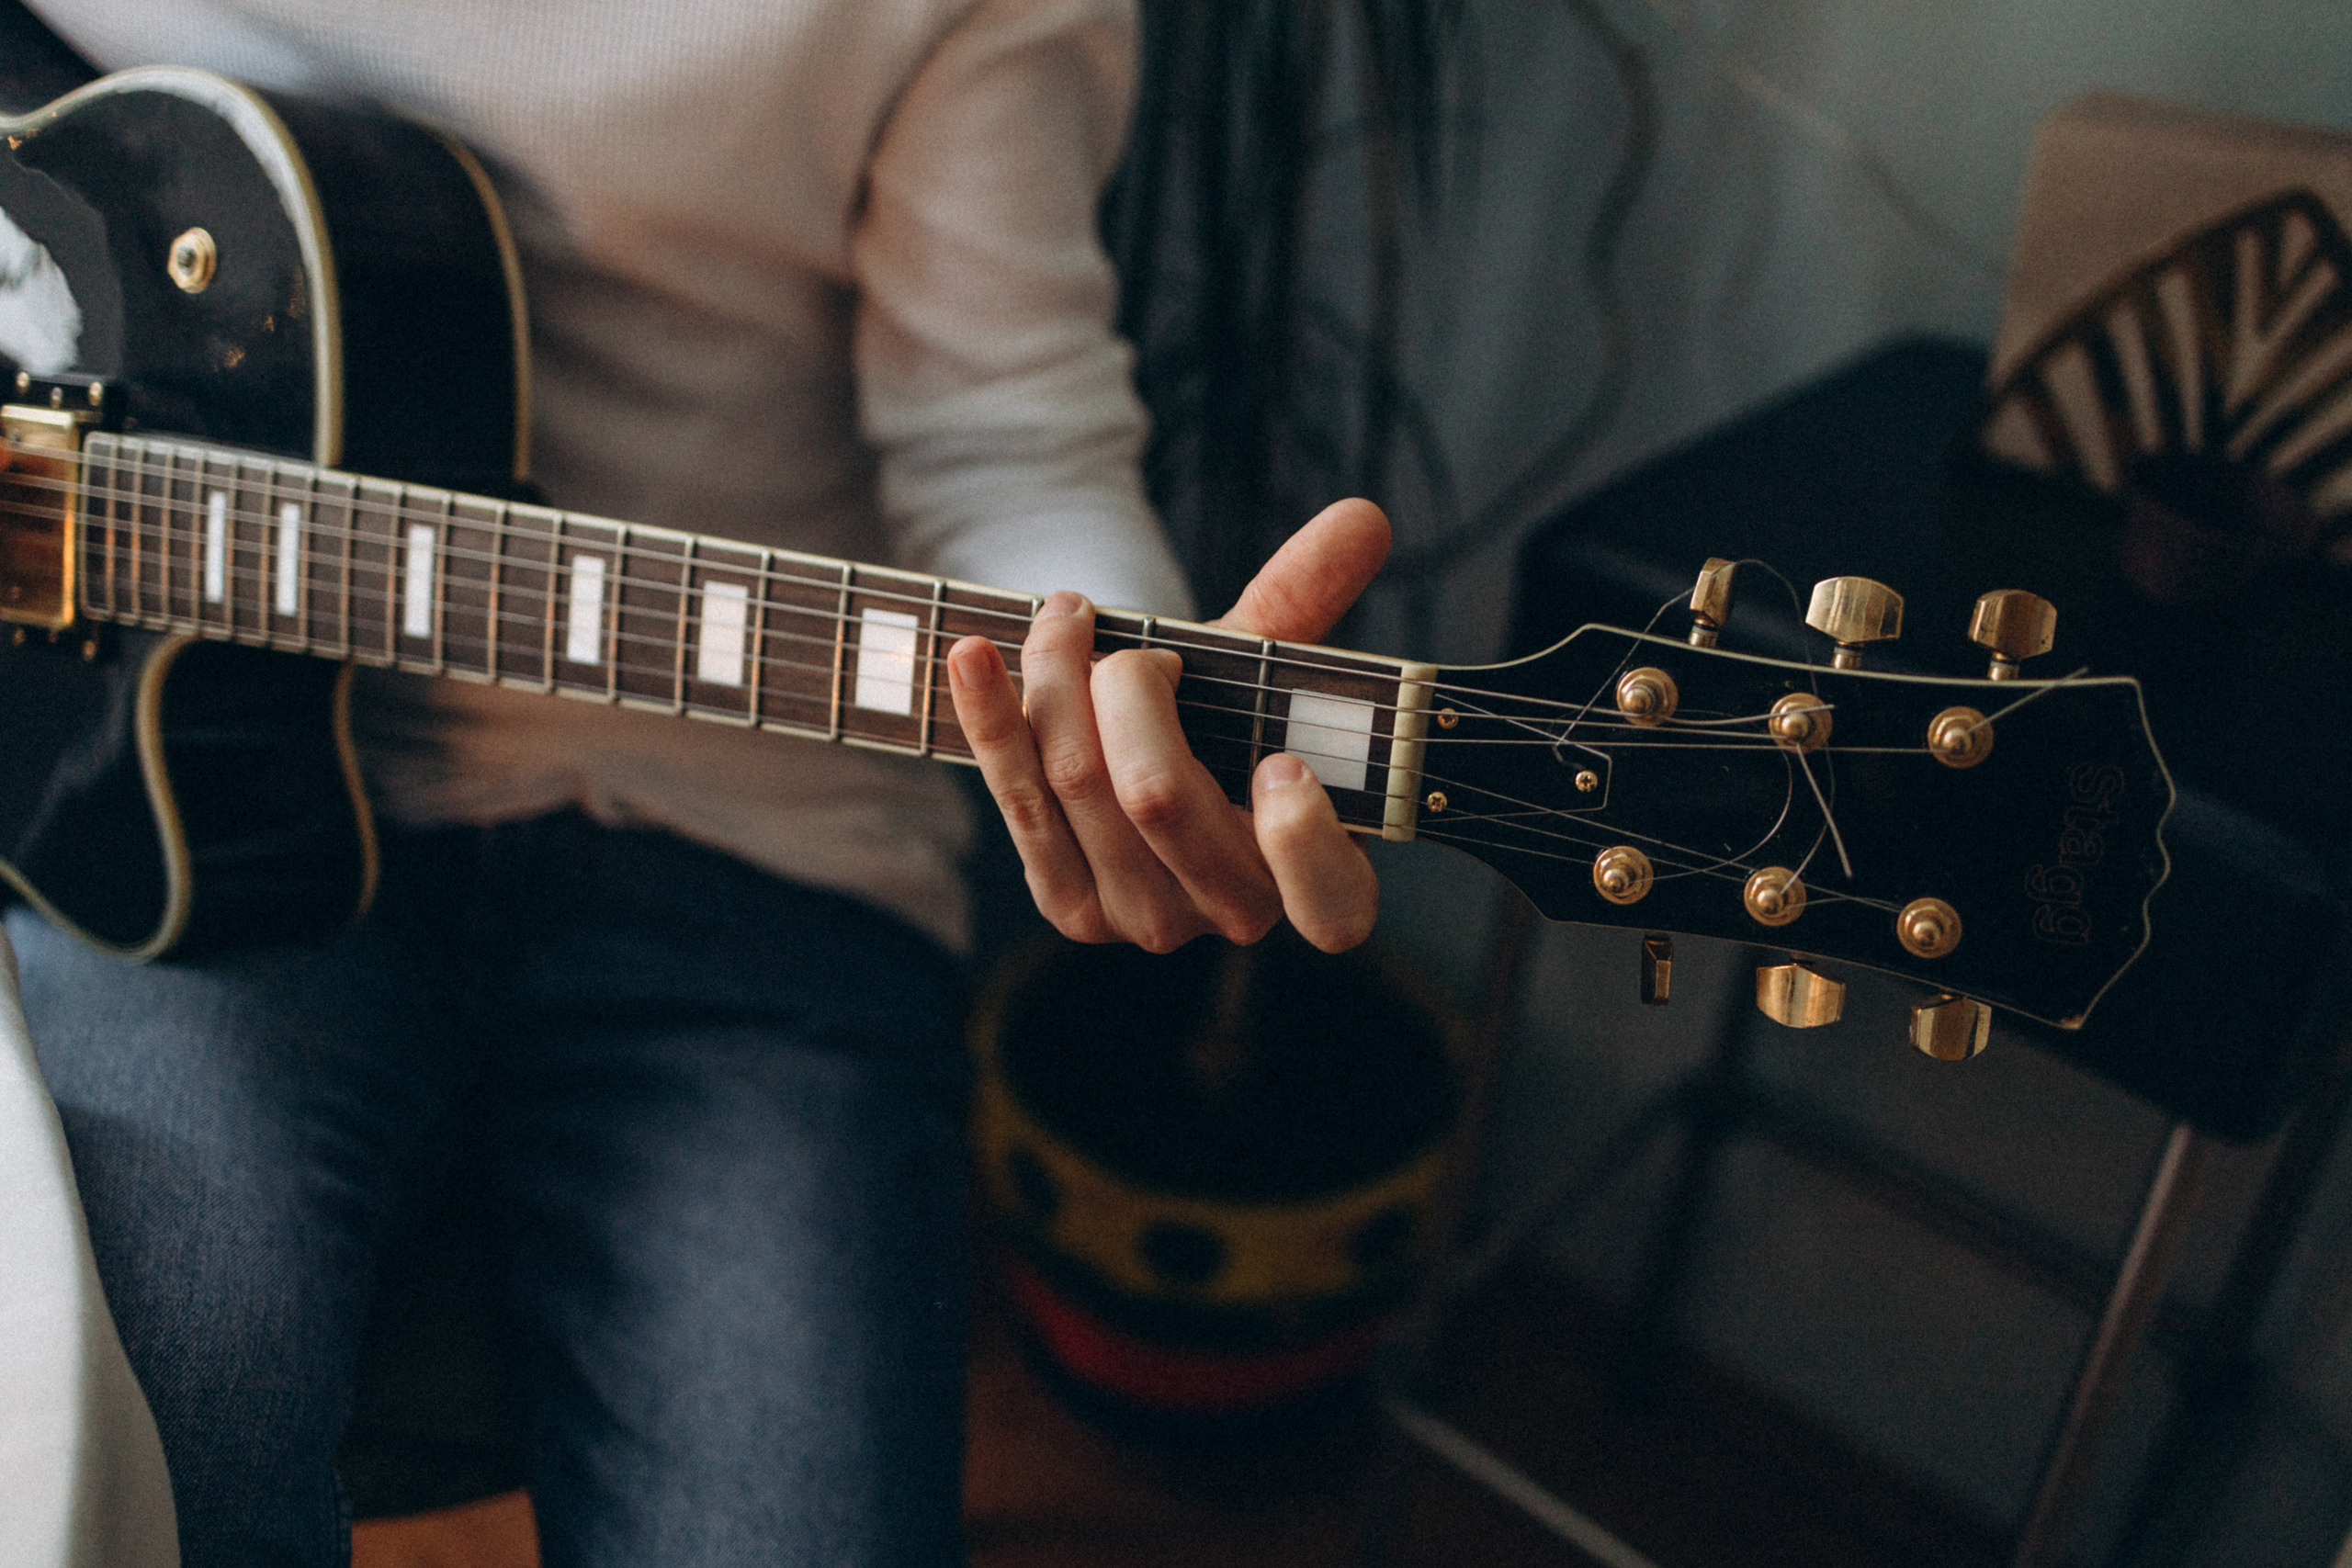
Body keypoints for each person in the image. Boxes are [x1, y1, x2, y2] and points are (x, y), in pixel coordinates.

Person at [6, 2, 1385, 1564]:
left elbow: (1008, 440)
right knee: (124, 1441)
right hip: (163, 801)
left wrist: (1131, 715)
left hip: (759, 852)